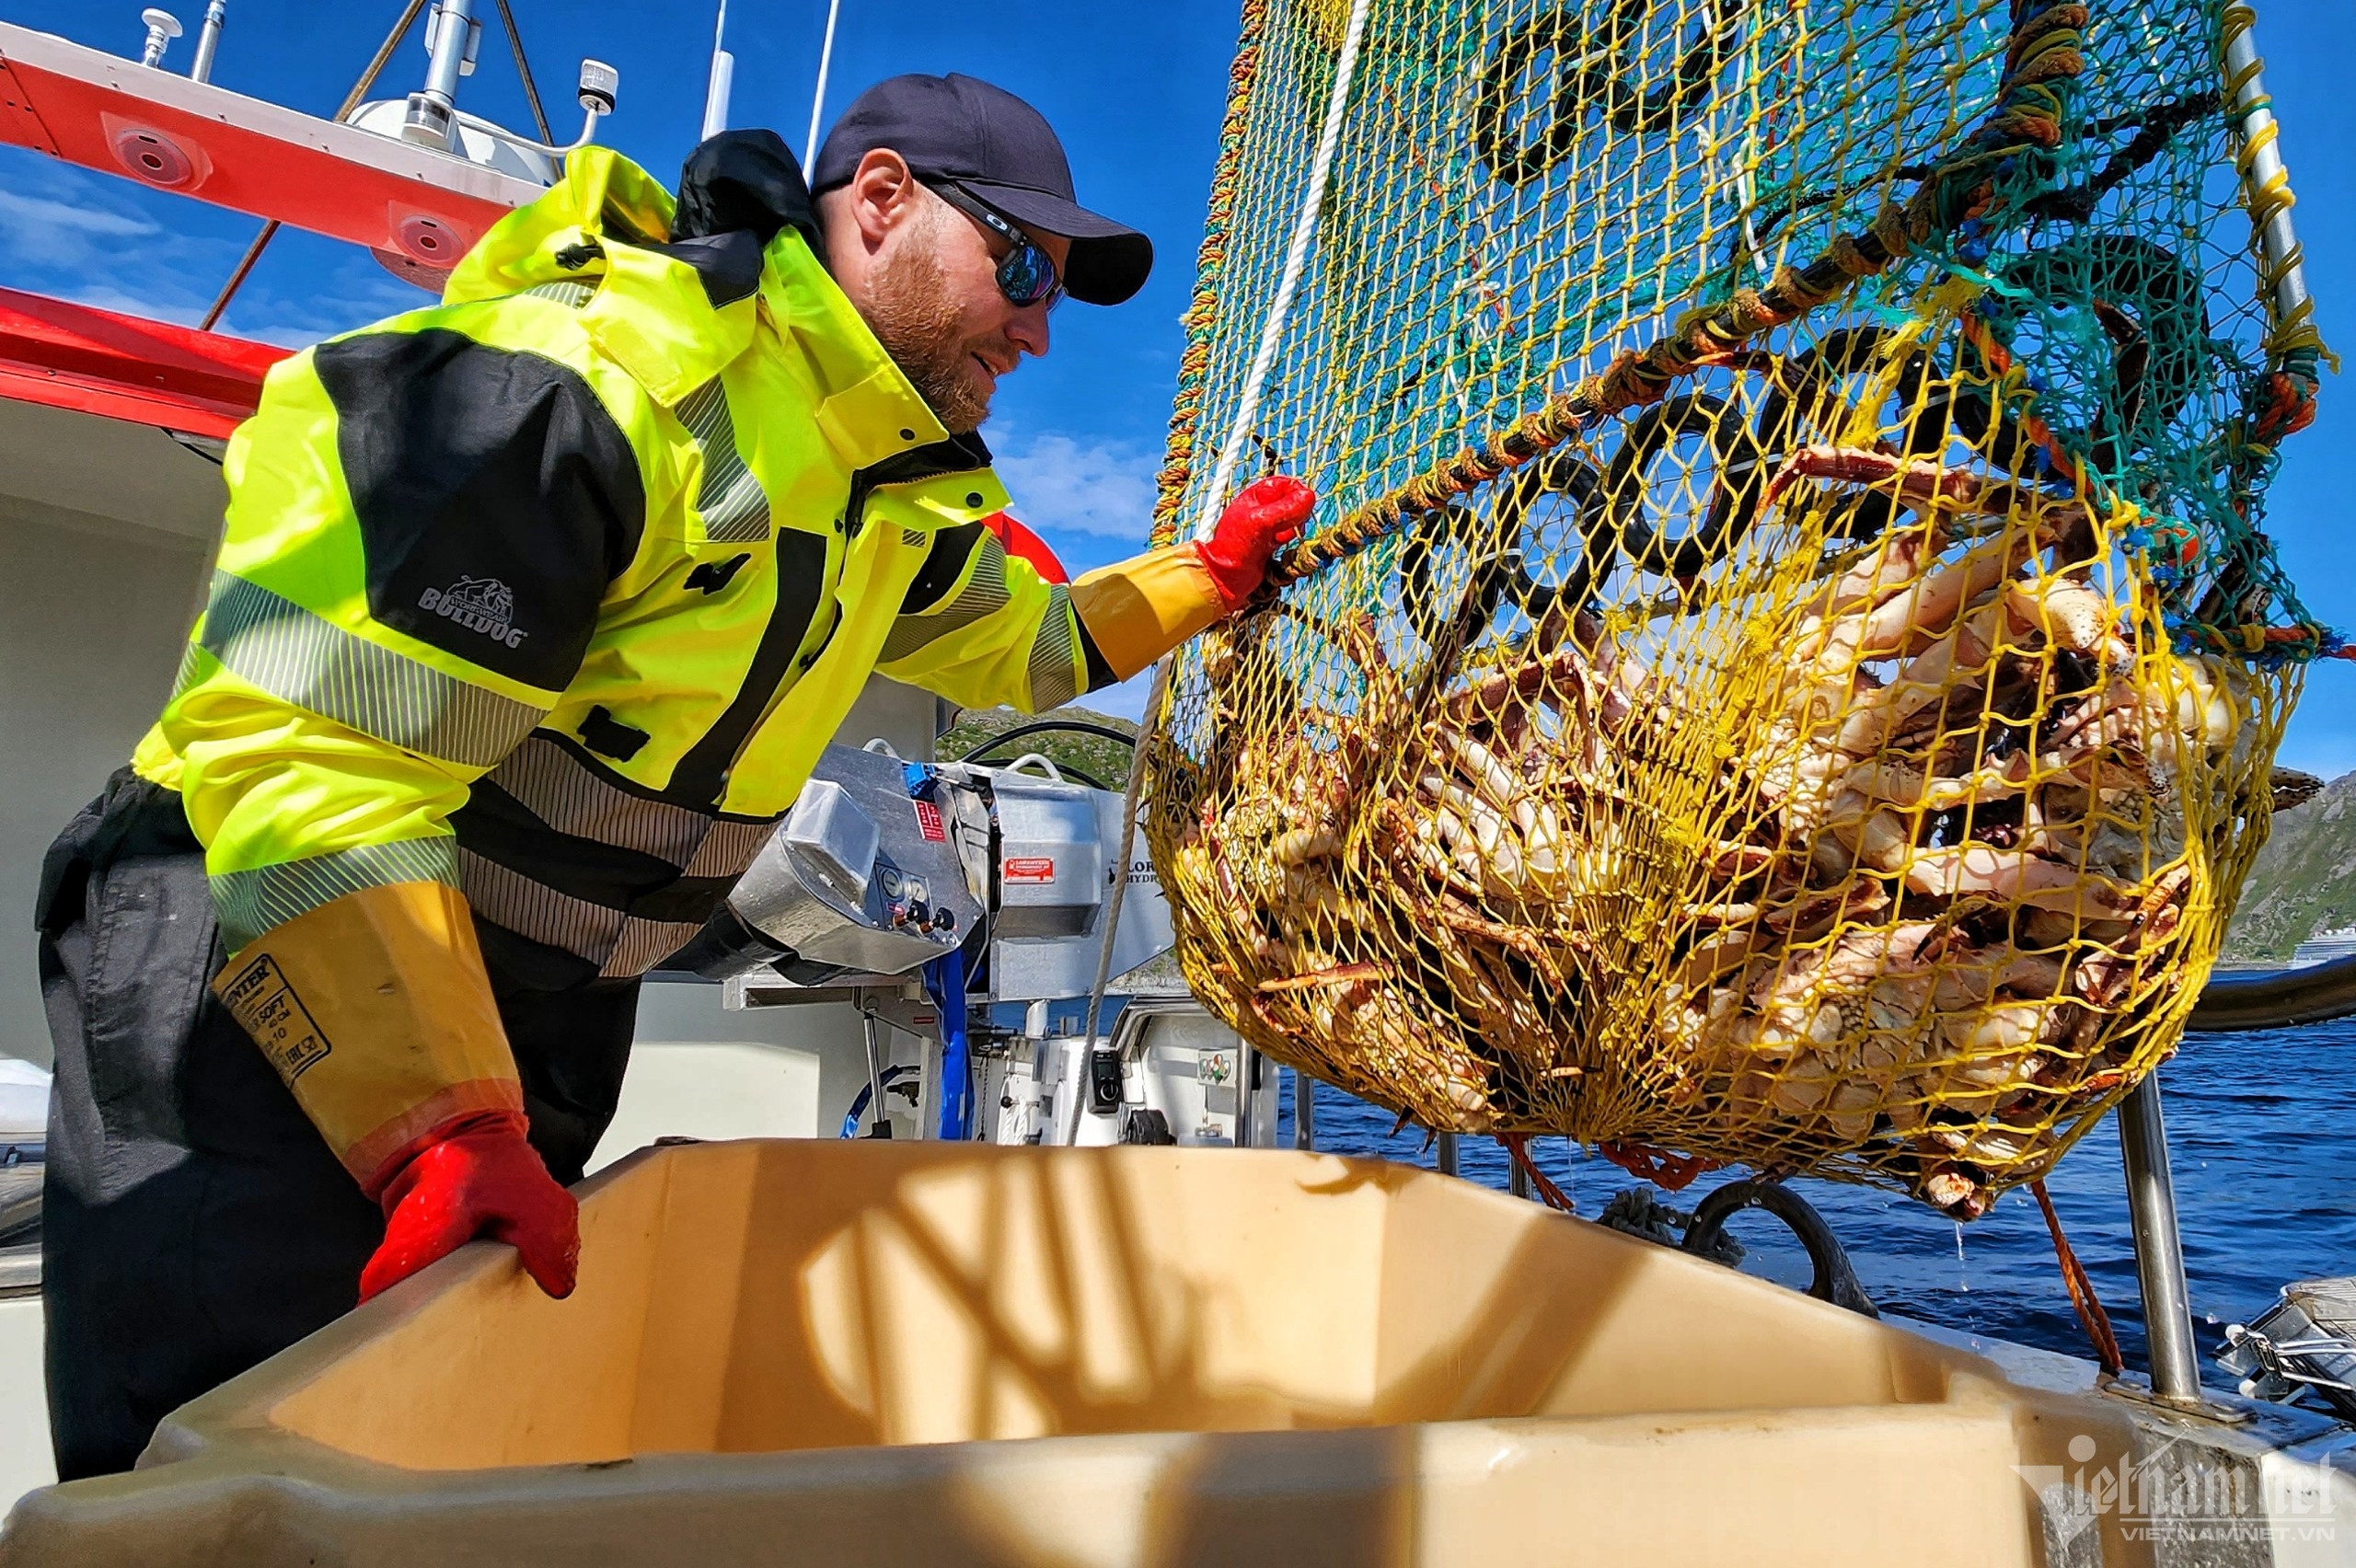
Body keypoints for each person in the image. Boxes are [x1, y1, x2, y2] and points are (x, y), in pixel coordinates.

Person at [36, 72, 1315, 1479]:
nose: (1037, 327)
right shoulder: (585, 382)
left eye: (1054, 293)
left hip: (533, 1009)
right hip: (260, 948)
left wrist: (1206, 579)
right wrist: (445, 1125)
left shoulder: (884, 486)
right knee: (222, 1465)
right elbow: (311, 757)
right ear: (882, 200)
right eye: (1021, 267)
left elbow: (1026, 644)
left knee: (430, 1455)